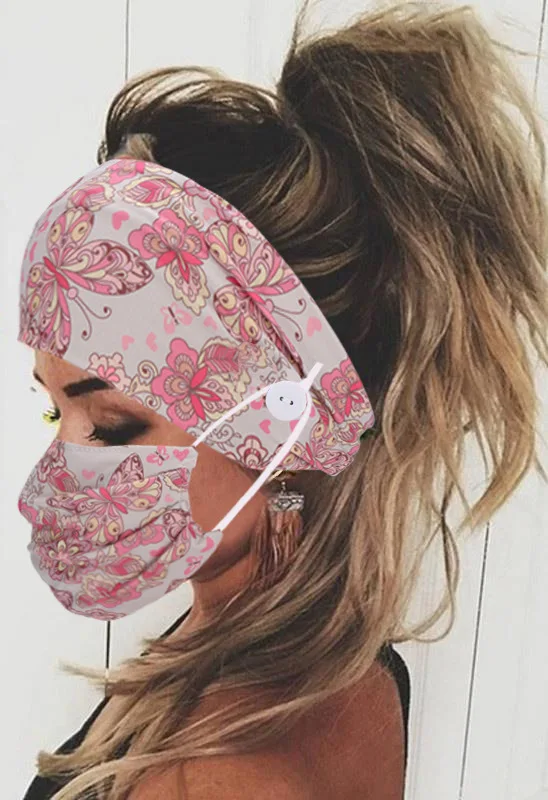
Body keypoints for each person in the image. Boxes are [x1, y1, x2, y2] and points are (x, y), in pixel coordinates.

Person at [18, 0, 547, 798]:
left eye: (114, 424)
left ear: (283, 427)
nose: (50, 483)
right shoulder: (353, 663)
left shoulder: (210, 779)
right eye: (54, 411)